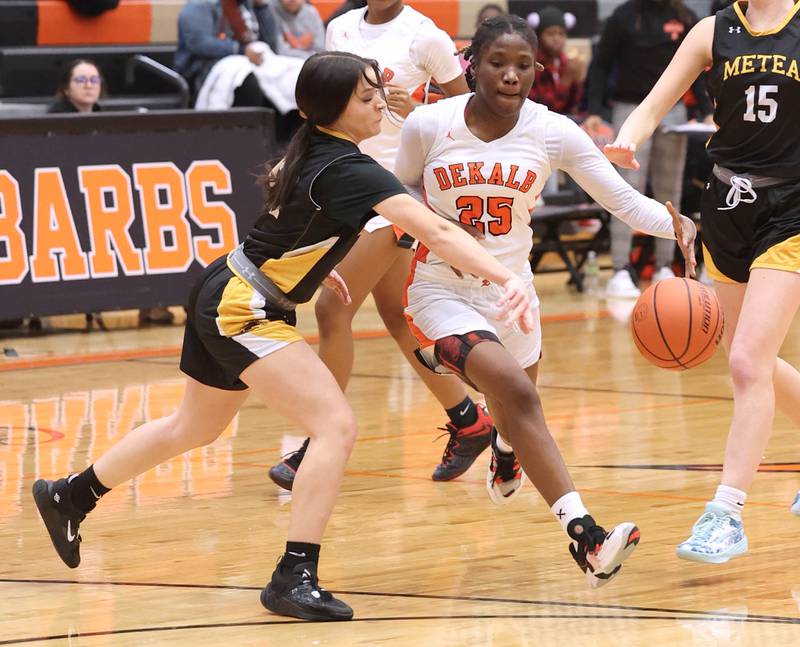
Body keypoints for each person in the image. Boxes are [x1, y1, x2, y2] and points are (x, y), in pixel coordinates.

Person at [31, 51, 534, 621]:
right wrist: (505, 275)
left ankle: (70, 494)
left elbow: (297, 226)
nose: (379, 107)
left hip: (230, 286)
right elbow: (436, 229)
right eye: (367, 100)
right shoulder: (348, 167)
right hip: (244, 305)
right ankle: (293, 575)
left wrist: (323, 270)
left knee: (193, 426)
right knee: (336, 426)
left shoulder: (320, 150)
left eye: (378, 96)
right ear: (333, 111)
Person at [395, 15, 698, 585]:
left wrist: (685, 226)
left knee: (519, 403)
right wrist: (420, 230)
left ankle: (505, 452)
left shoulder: (552, 130)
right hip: (440, 289)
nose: (511, 76)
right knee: (511, 392)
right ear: (471, 64)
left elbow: (623, 202)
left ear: (537, 70)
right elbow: (403, 187)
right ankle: (587, 537)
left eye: (523, 65)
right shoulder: (429, 124)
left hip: (514, 292)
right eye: (498, 63)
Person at [605, 0, 800, 563]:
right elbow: (655, 101)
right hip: (726, 200)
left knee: (747, 363)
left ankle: (727, 513)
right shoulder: (713, 31)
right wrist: (629, 137)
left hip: (791, 206)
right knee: (744, 353)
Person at [268, 0, 486, 489]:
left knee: (331, 311)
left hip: (396, 190)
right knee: (395, 314)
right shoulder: (339, 28)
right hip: (345, 183)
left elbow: (471, 116)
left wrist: (424, 108)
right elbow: (324, 111)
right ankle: (470, 419)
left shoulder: (424, 36)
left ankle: (319, 439)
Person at [584, 0, 712, 298]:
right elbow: (601, 63)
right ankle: (619, 269)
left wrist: (706, 109)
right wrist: (595, 108)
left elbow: (698, 69)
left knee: (671, 190)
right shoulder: (624, 16)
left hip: (675, 112)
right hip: (630, 109)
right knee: (624, 189)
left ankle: (665, 265)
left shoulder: (685, 16)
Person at [527, 6, 585, 116]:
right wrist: (566, 80)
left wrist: (577, 81)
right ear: (539, 36)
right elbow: (546, 109)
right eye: (551, 33)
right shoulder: (533, 64)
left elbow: (573, 105)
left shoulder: (564, 61)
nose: (557, 38)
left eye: (561, 34)